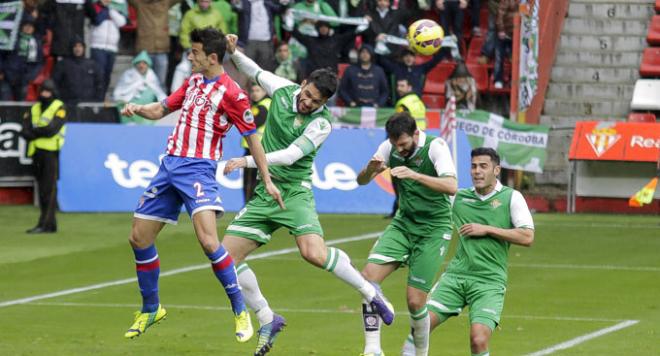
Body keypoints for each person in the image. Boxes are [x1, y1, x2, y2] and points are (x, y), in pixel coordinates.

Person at [223, 33, 395, 356]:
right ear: (303, 84)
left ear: (324, 103)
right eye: (308, 95)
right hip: (265, 192)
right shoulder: (283, 89)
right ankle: (267, 317)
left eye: (316, 102)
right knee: (224, 260)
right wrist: (233, 53)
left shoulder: (322, 124)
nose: (308, 103)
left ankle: (370, 292)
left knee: (313, 254)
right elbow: (255, 70)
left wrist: (246, 160)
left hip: (294, 193)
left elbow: (290, 155)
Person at [119, 27, 283, 342]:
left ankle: (240, 310)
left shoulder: (233, 93)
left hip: (198, 170)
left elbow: (253, 139)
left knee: (209, 242)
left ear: (211, 57)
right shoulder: (193, 81)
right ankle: (151, 308)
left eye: (194, 52)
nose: (190, 57)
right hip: (169, 166)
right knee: (138, 238)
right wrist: (139, 108)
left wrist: (266, 178)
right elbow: (162, 108)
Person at [401, 147, 535, 356]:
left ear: (496, 170)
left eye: (483, 166)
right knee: (420, 327)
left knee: (478, 339)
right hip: (455, 277)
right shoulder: (459, 198)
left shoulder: (512, 197)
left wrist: (487, 229)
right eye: (473, 167)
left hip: (489, 281)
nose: (477, 171)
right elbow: (431, 210)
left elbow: (527, 236)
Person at [356, 112, 457, 356]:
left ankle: (419, 352)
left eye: (403, 144)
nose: (399, 150)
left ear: (415, 134)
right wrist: (369, 171)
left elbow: (452, 185)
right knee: (367, 279)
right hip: (404, 223)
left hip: (434, 228)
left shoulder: (436, 147)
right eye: (394, 145)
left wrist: (415, 175)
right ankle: (372, 349)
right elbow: (361, 181)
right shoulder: (388, 148)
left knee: (415, 302)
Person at [20, 80, 66, 234]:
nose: (45, 94)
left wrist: (34, 131)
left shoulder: (59, 107)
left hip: (50, 153)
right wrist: (37, 131)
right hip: (36, 152)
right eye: (43, 91)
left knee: (49, 189)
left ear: (53, 92)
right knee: (41, 189)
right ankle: (49, 224)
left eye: (48, 91)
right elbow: (24, 130)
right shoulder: (34, 108)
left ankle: (45, 224)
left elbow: (52, 129)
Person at [113, 51, 167, 125]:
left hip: (148, 112)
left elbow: (159, 93)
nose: (141, 66)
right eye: (139, 63)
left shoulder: (152, 76)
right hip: (130, 112)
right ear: (135, 64)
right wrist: (122, 100)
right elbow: (119, 93)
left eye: (144, 63)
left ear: (148, 65)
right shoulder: (128, 75)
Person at [90, 0, 128, 98]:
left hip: (112, 47)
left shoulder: (117, 7)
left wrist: (110, 10)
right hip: (97, 46)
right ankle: (96, 98)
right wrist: (106, 9)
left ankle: (102, 98)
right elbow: (97, 20)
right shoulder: (95, 6)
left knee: (107, 75)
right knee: (99, 75)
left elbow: (122, 23)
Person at [51, 37, 104, 105]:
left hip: (89, 103)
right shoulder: (62, 64)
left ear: (84, 48)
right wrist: (60, 100)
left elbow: (100, 84)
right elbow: (54, 84)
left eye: (80, 46)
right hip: (68, 103)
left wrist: (98, 101)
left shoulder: (93, 65)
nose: (78, 49)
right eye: (75, 46)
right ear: (71, 48)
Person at [242, 82, 271, 202]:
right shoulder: (265, 104)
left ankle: (248, 208)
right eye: (252, 91)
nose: (254, 93)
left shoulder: (262, 106)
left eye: (257, 90)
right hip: (264, 149)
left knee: (250, 181)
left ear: (264, 92)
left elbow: (254, 123)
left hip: (254, 149)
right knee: (260, 181)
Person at [494, 0, 518, 89]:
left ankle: (513, 80)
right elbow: (500, 15)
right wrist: (501, 30)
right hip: (505, 33)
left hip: (516, 34)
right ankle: (498, 79)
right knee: (499, 57)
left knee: (515, 59)